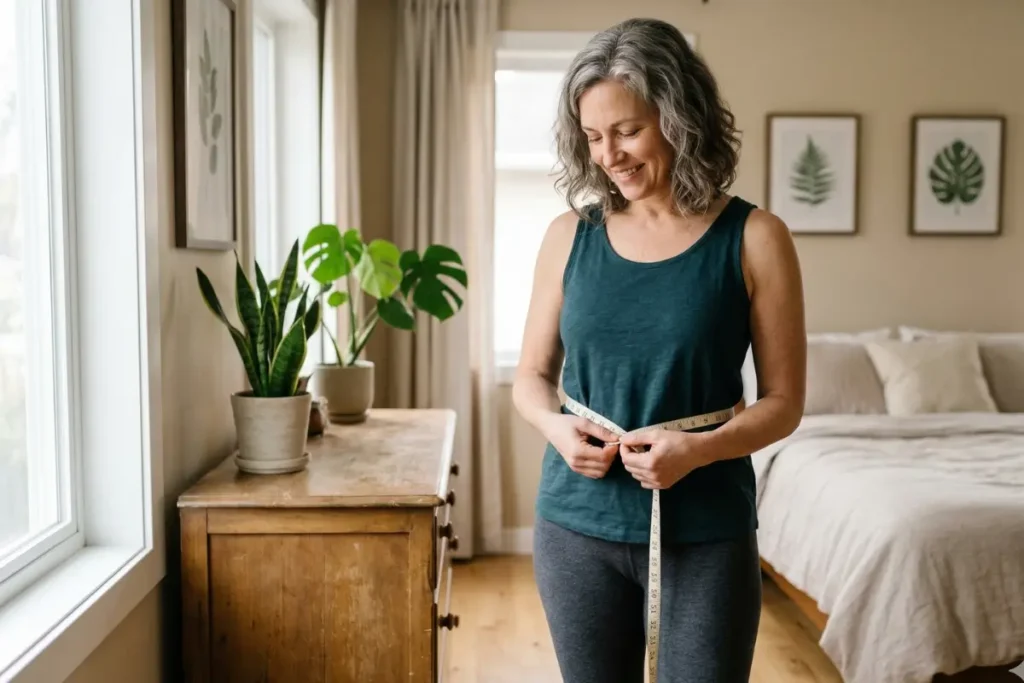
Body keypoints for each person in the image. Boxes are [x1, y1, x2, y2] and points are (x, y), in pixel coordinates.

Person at [511, 17, 807, 683]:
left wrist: (697, 448)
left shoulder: (756, 237)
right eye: (592, 137)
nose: (608, 154)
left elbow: (785, 403)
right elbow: (530, 376)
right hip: (574, 525)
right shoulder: (567, 236)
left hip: (706, 531)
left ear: (680, 118)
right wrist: (556, 426)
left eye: (627, 130)